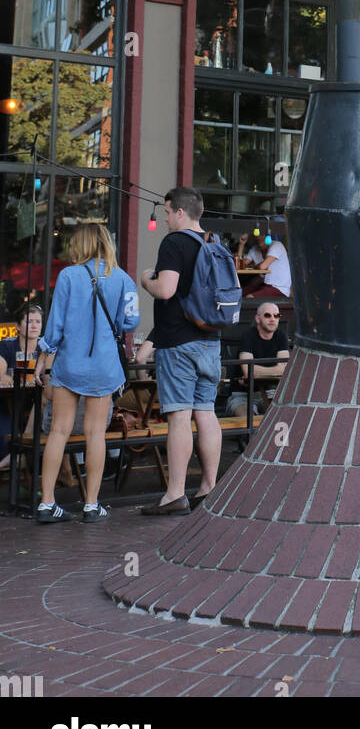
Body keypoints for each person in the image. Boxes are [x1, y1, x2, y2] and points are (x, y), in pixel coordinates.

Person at [32, 223, 139, 523]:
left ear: (81, 244)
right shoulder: (123, 279)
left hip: (70, 364)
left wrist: (43, 356)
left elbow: (56, 324)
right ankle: (92, 505)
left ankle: (47, 503)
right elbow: (131, 322)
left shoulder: (68, 275)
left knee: (59, 431)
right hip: (104, 367)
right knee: (95, 434)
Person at [140, 186, 223, 516]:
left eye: (166, 211)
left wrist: (147, 279)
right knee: (206, 412)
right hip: (210, 340)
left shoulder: (174, 243)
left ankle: (174, 494)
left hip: (178, 342)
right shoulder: (214, 243)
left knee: (178, 415)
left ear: (179, 212)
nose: (164, 218)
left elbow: (166, 289)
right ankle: (209, 488)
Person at [224, 301, 291, 417]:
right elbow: (248, 370)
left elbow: (285, 370)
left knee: (280, 417)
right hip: (242, 395)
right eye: (267, 315)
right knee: (247, 420)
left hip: (271, 392)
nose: (272, 319)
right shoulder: (248, 336)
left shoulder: (281, 336)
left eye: (276, 315)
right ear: (257, 318)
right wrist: (275, 369)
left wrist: (256, 370)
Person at [0, 304, 43, 472]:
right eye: (29, 321)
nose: (34, 326)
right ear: (18, 326)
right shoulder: (8, 345)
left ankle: (27, 475)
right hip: (7, 405)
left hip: (36, 405)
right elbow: (0, 375)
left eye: (38, 322)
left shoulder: (45, 347)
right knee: (5, 436)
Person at [235, 233, 292, 299]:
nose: (258, 237)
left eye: (261, 235)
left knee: (250, 297)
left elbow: (262, 266)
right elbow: (239, 265)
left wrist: (254, 266)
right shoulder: (255, 249)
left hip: (279, 289)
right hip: (265, 285)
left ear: (268, 236)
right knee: (239, 293)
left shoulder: (277, 245)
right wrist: (241, 244)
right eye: (256, 235)